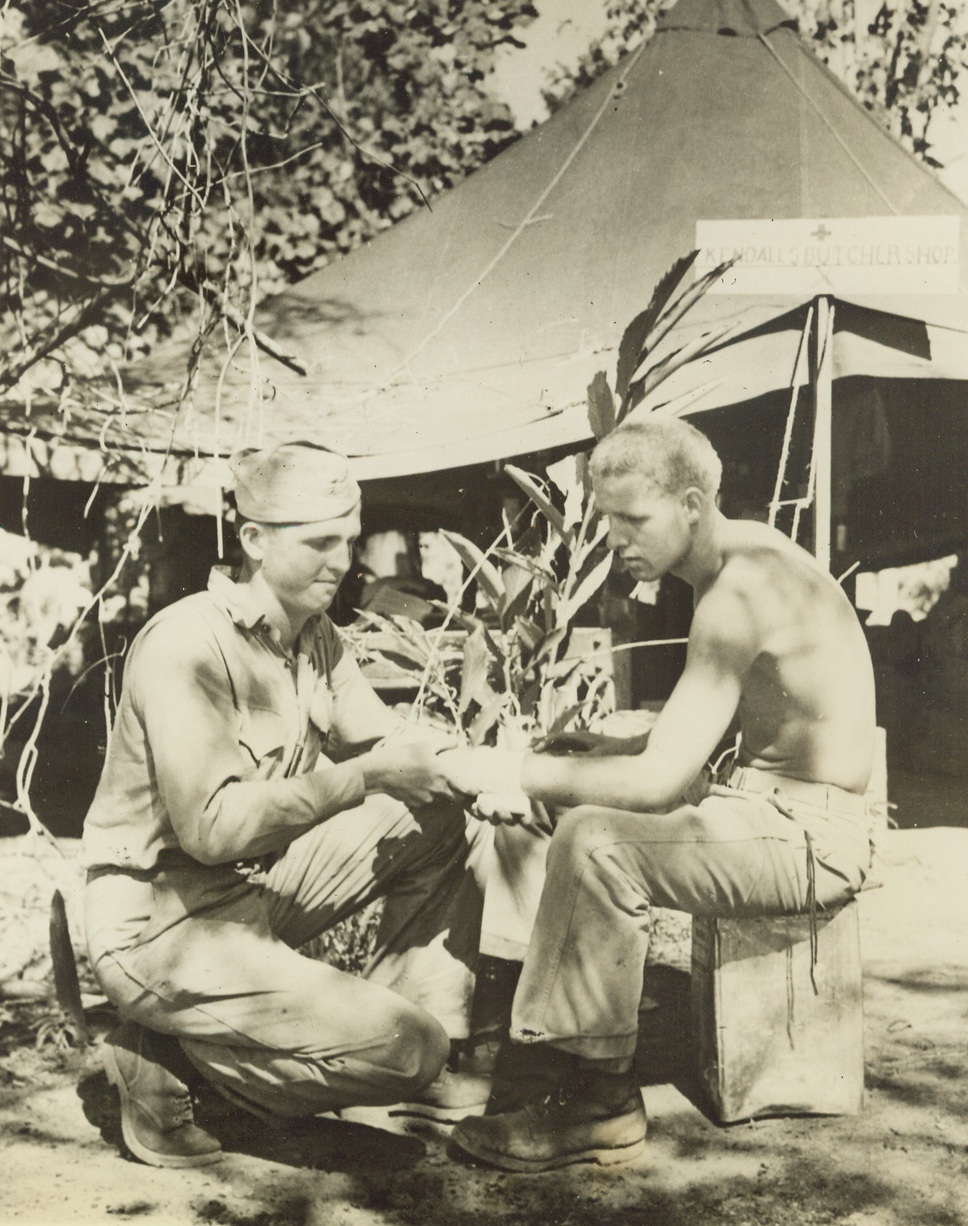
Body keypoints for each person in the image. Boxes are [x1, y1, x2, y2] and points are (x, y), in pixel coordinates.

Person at [438, 415, 878, 1173]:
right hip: (768, 809)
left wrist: (513, 771)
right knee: (580, 781)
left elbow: (657, 784)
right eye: (606, 519)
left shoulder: (737, 590)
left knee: (596, 841)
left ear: (692, 506)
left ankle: (600, 1102)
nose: (614, 540)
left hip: (812, 839)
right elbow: (718, 736)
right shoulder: (746, 562)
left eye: (634, 519)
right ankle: (529, 1043)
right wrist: (605, 748)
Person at [82, 441, 497, 1169]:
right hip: (160, 925)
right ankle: (167, 1066)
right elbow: (212, 829)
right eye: (319, 541)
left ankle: (386, 1032)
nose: (342, 559)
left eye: (349, 539)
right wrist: (366, 777)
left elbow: (394, 741)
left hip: (250, 894)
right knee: (409, 1049)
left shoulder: (315, 634)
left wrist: (492, 773)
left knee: (434, 816)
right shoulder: (188, 646)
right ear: (253, 540)